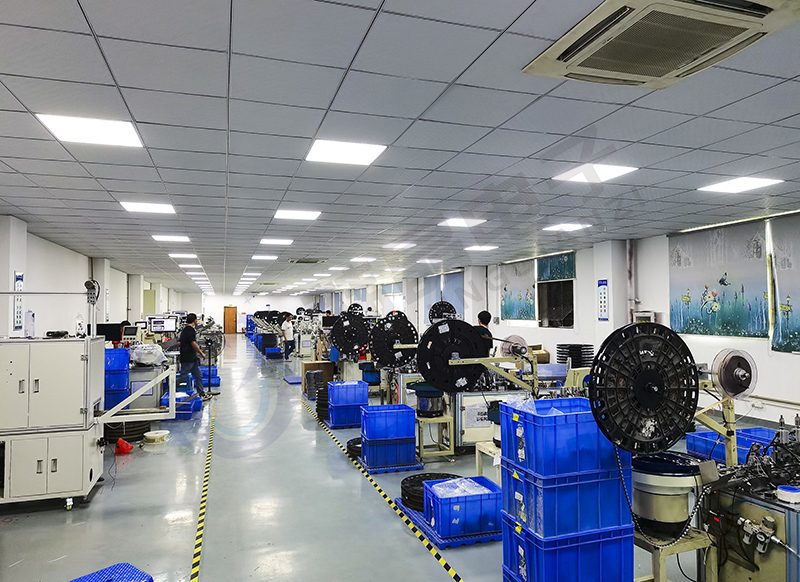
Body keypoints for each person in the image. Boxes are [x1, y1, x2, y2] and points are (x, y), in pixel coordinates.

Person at [177, 313, 219, 401]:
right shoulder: (190, 331)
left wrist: (189, 349)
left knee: (198, 375)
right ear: (195, 320)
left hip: (192, 358)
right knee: (183, 376)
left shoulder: (184, 330)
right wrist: (201, 353)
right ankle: (169, 389)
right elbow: (193, 343)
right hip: (187, 358)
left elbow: (180, 343)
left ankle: (202, 394)